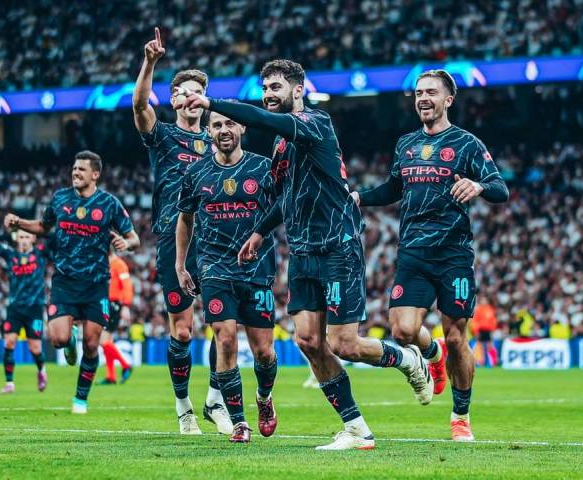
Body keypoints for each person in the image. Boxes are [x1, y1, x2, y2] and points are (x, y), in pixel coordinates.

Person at [176, 59, 432, 451]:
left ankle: (407, 360)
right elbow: (286, 197)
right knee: (309, 341)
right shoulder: (281, 145)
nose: (268, 94)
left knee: (344, 344)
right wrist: (260, 232)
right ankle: (357, 430)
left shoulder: (315, 123)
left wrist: (210, 103)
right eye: (265, 88)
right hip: (301, 250)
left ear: (298, 90)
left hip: (337, 246)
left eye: (275, 87)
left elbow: (266, 120)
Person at [352, 69, 509, 441]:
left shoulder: (467, 143)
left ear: (448, 100)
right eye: (419, 93)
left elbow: (500, 189)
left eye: (431, 93)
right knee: (402, 330)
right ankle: (432, 354)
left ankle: (460, 416)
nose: (423, 98)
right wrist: (360, 196)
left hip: (454, 255)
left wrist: (478, 185)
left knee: (457, 337)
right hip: (413, 252)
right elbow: (393, 188)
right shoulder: (406, 144)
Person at [132, 27, 231, 435]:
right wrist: (149, 62)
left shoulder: (219, 142)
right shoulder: (163, 136)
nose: (190, 98)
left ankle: (214, 399)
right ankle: (183, 407)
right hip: (173, 241)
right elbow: (140, 106)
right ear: (173, 100)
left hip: (215, 241)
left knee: (223, 327)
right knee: (184, 330)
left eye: (197, 92)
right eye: (184, 92)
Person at [3, 150, 140, 414]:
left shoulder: (109, 203)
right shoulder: (60, 198)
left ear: (95, 174)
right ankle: (69, 339)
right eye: (74, 168)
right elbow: (44, 227)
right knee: (58, 339)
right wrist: (19, 222)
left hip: (96, 284)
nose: (75, 172)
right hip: (64, 281)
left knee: (92, 344)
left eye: (81, 169)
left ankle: (80, 399)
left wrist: (127, 243)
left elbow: (134, 238)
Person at [176, 110, 279, 443]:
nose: (224, 130)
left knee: (264, 352)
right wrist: (180, 264)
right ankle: (238, 422)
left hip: (258, 269)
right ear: (208, 131)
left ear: (242, 126)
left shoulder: (264, 168)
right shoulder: (196, 172)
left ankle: (264, 397)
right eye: (217, 125)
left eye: (230, 123)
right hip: (214, 269)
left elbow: (284, 207)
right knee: (225, 339)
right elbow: (185, 219)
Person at [0, 230, 48, 394]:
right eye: (21, 237)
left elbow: (56, 238)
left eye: (27, 237)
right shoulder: (11, 255)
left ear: (33, 239)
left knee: (35, 348)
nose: (23, 240)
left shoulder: (40, 254)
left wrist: (38, 230)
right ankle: (9, 383)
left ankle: (42, 371)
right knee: (9, 343)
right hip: (15, 308)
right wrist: (9, 234)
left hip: (34, 308)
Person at [98, 253, 134, 385]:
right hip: (107, 304)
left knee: (103, 341)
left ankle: (126, 365)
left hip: (114, 305)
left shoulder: (119, 264)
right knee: (107, 341)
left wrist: (126, 305)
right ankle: (111, 376)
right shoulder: (106, 264)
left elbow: (127, 285)